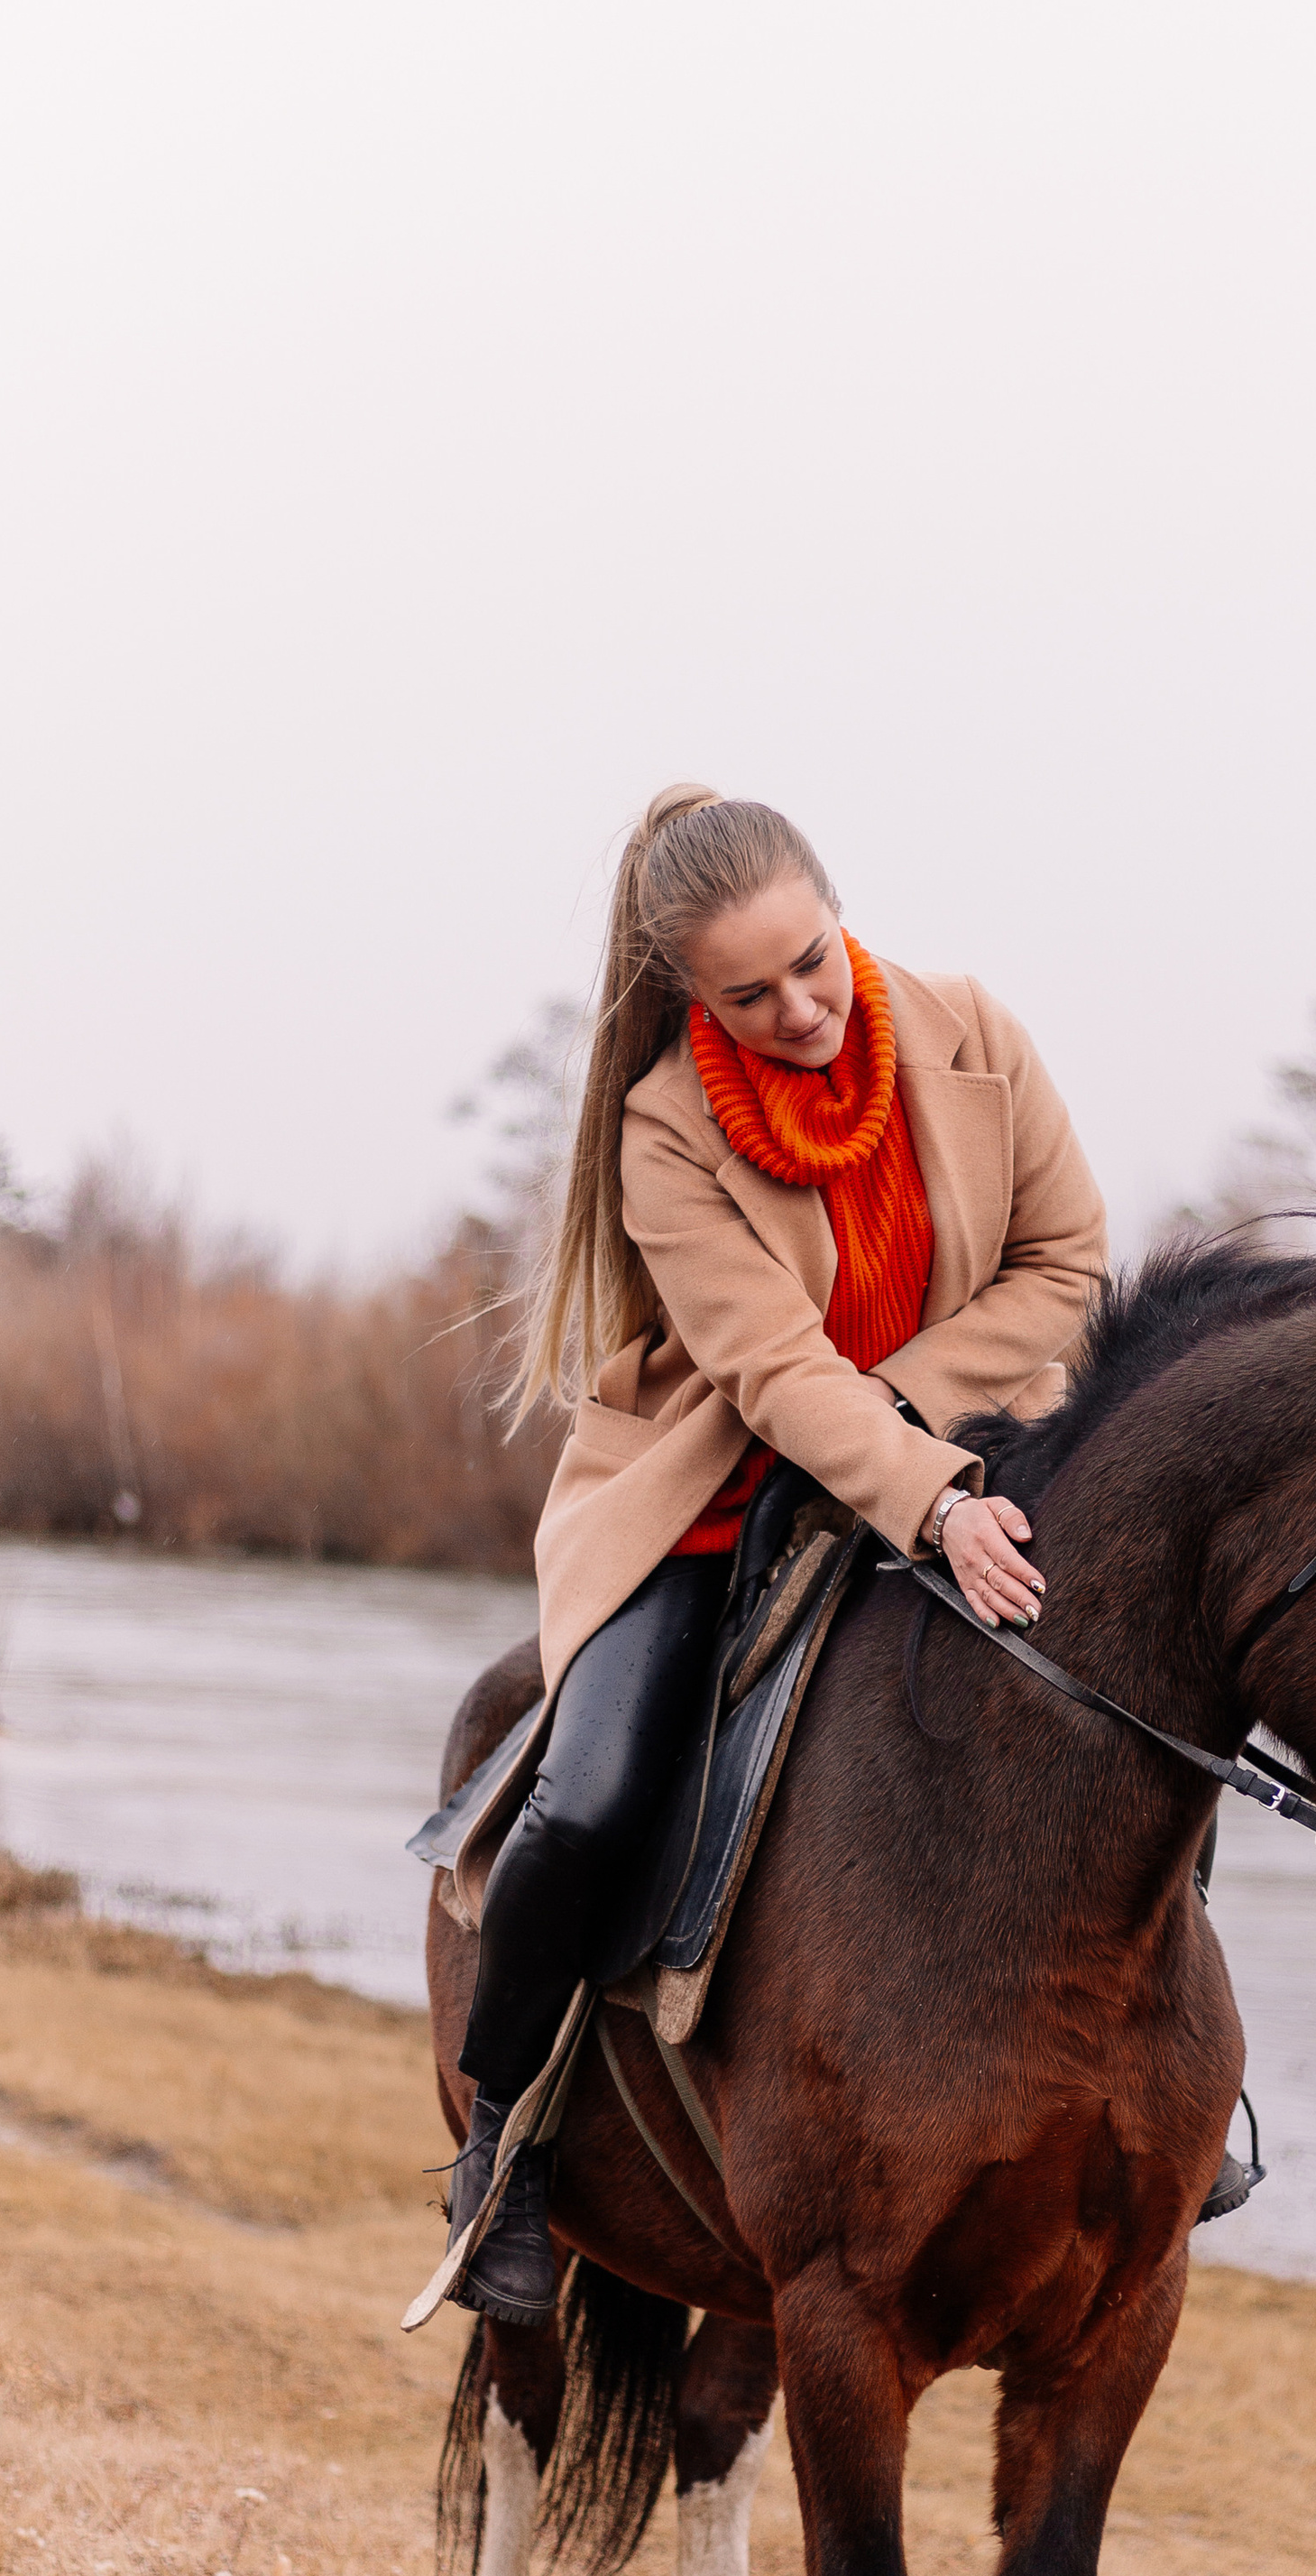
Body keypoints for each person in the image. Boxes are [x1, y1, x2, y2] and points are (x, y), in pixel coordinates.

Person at [437, 783, 1109, 2322]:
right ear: (693, 994)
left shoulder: (975, 1032)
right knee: (591, 1806)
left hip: (978, 1458)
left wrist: (928, 1436)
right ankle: (504, 2154)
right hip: (723, 1493)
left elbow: (1068, 1263)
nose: (800, 1008)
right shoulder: (663, 1132)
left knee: (1140, 1711)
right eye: (750, 993)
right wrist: (915, 1492)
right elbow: (776, 1372)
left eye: (812, 960)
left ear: (834, 907)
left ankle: (1160, 2093)